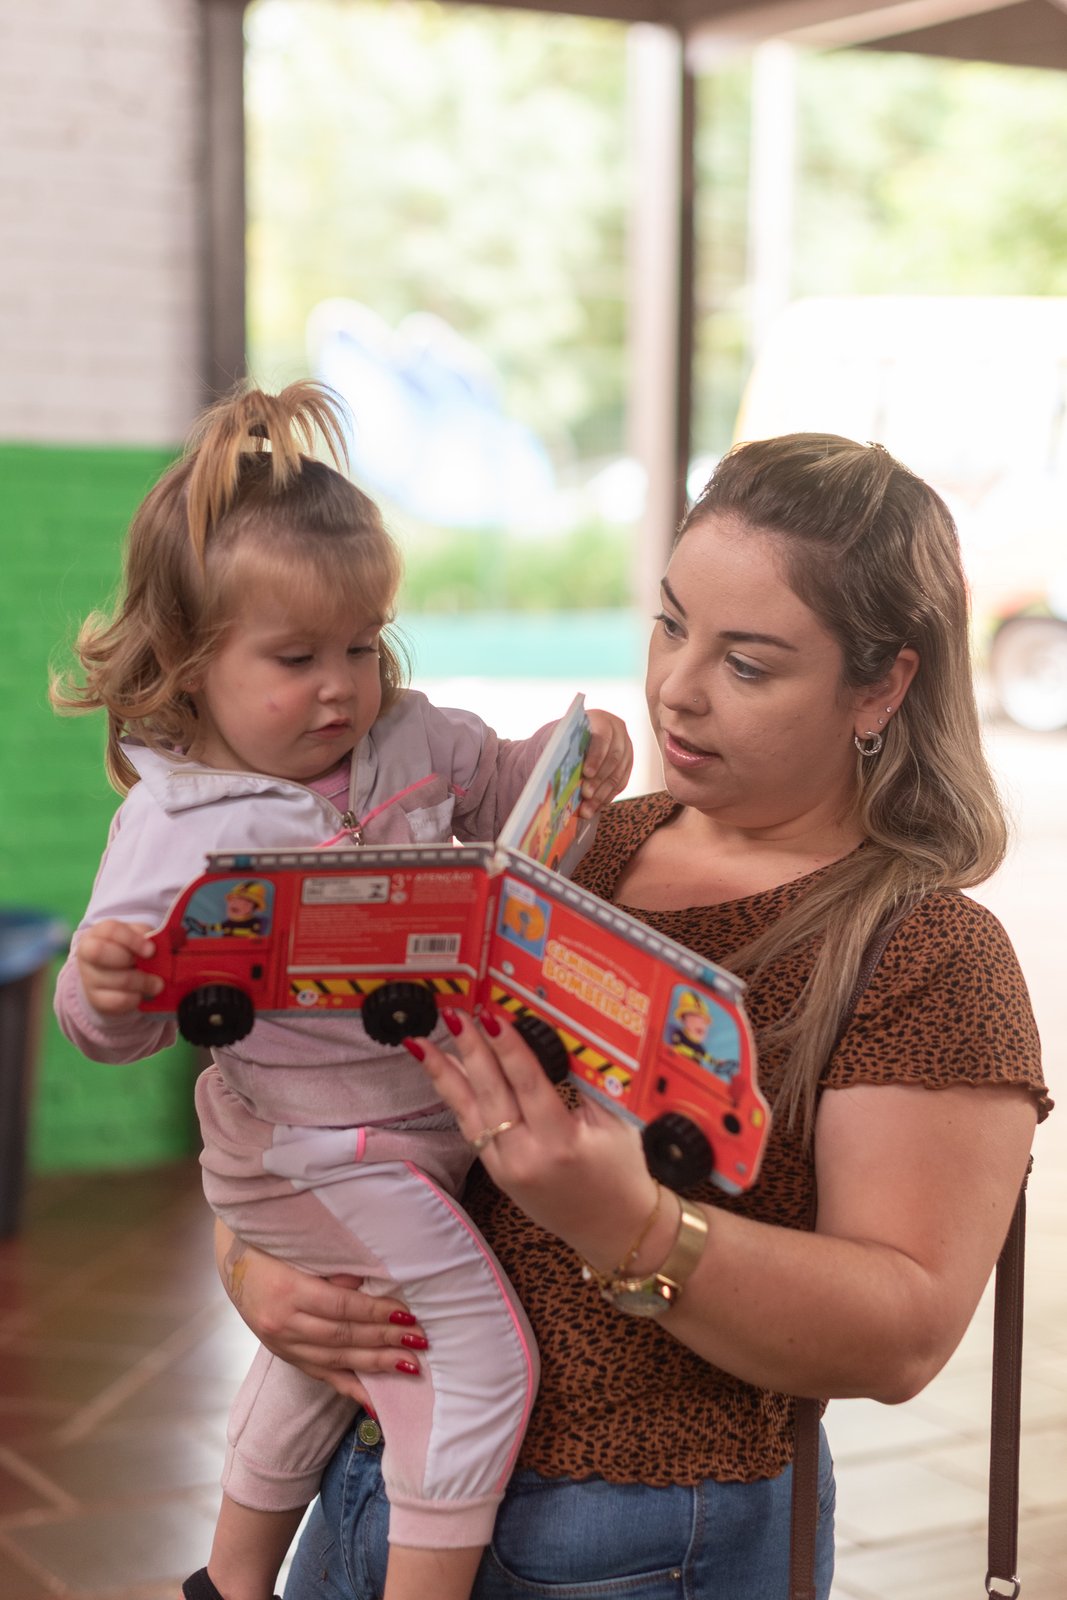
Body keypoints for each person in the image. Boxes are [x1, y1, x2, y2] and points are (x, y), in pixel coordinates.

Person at [218, 431, 1049, 1600]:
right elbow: (328, 1088)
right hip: (367, 1484)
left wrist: (627, 1220)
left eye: (746, 664)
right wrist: (255, 1266)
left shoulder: (925, 950)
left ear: (879, 684)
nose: (674, 687)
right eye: (669, 624)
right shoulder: (579, 837)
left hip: (632, 1536)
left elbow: (902, 1329)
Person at [50, 380, 633, 1600]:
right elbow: (114, 1027)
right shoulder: (177, 824)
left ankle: (225, 1582)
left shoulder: (410, 739)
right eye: (296, 658)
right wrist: (107, 982)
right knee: (472, 1356)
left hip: (414, 1130)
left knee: (330, 1350)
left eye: (362, 646)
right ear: (192, 665)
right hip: (309, 1151)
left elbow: (505, 788)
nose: (341, 687)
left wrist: (575, 760)